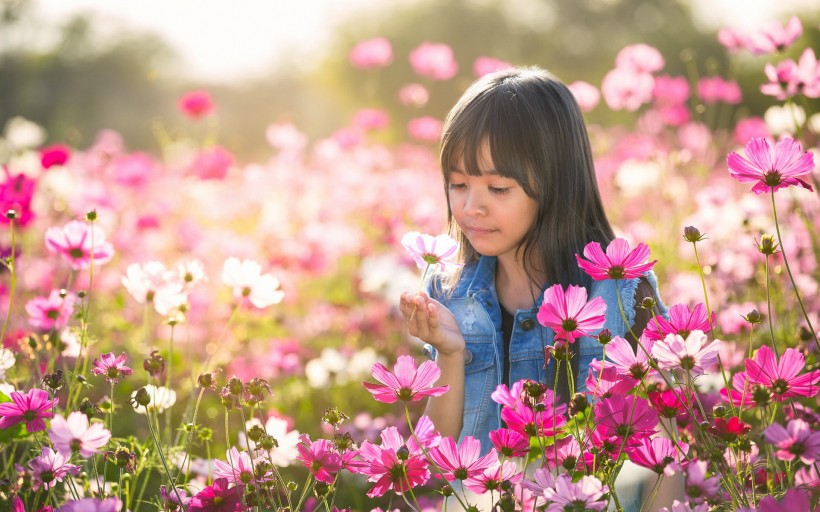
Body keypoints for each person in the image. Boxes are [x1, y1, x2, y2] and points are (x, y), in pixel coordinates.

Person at [399, 67, 667, 455]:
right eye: (458, 184)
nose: (471, 207)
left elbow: (668, 443)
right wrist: (451, 353)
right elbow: (436, 458)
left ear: (555, 183)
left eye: (498, 188)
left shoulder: (619, 296)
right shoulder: (448, 292)